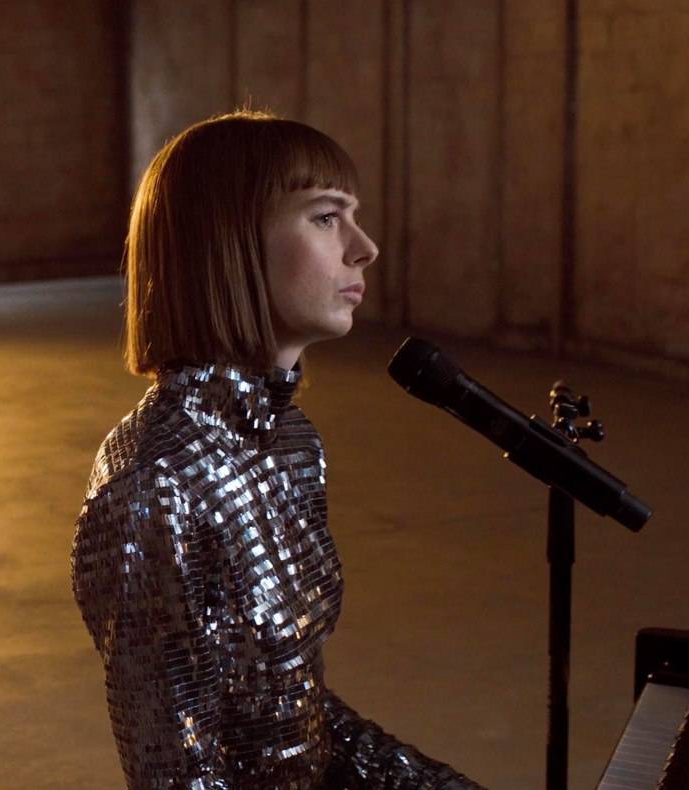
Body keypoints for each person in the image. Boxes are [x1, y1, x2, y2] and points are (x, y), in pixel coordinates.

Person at [71, 112, 482, 789]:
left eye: (352, 217)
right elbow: (179, 775)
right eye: (326, 218)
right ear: (228, 242)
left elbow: (293, 711)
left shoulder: (292, 441)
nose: (364, 248)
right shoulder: (155, 486)